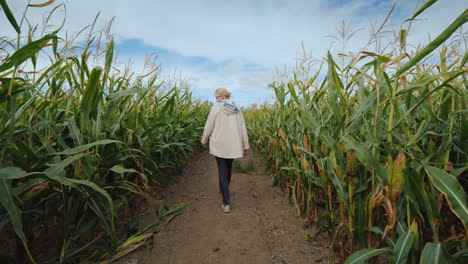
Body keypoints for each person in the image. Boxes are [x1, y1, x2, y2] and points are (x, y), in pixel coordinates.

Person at [201, 88, 250, 213]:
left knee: (222, 171)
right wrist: (246, 145)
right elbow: (242, 127)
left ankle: (226, 202)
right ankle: (225, 190)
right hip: (233, 145)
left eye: (216, 97)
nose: (216, 99)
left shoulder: (216, 108)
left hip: (219, 145)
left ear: (222, 96)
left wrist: (204, 140)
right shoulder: (237, 109)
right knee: (228, 170)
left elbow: (208, 125)